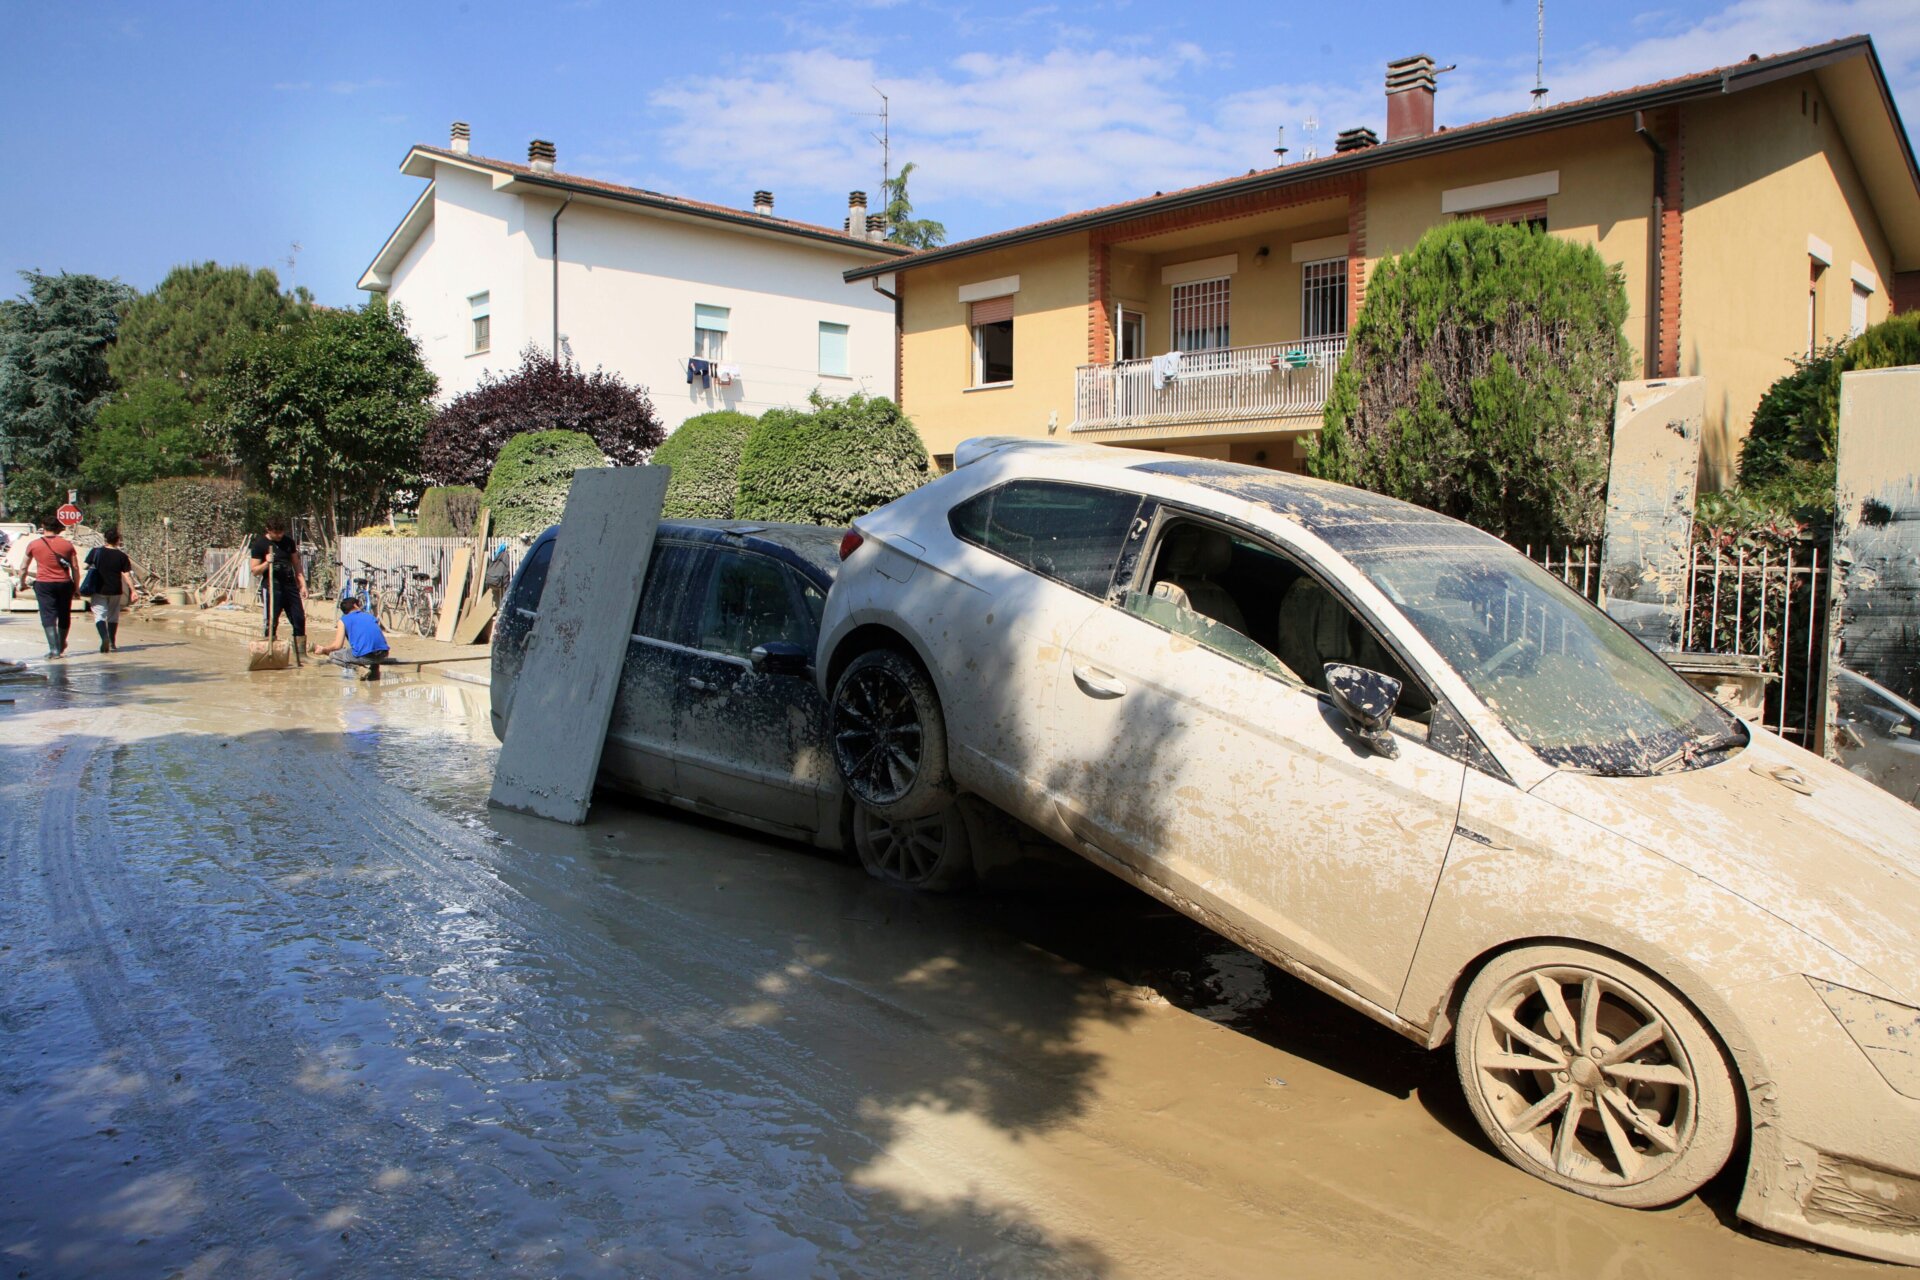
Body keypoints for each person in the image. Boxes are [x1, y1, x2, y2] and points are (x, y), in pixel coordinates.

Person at [15, 515, 78, 659]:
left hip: (44, 584)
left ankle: (54, 650)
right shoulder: (67, 545)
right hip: (64, 583)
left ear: (43, 526)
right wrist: (77, 587)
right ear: (58, 528)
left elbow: (23, 566)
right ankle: (61, 644)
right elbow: (75, 567)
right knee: (64, 614)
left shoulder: (34, 544)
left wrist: (22, 583)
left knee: (48, 615)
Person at [249, 517, 308, 661]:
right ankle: (271, 652)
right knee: (271, 620)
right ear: (268, 530)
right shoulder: (259, 544)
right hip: (271, 586)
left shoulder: (288, 542)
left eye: (281, 532)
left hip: (289, 585)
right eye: (276, 533)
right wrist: (266, 563)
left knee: (299, 618)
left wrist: (302, 584)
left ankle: (301, 655)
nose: (279, 535)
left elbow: (296, 564)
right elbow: (254, 570)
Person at [82, 526, 137, 653]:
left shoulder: (95, 551)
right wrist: (133, 591)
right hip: (115, 589)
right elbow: (127, 574)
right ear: (117, 540)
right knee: (113, 616)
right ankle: (112, 642)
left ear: (105, 539)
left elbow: (85, 566)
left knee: (99, 615)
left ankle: (104, 637)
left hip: (99, 589)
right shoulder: (122, 555)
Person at [314, 594, 391, 681]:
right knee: (370, 645)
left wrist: (323, 649)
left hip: (366, 657)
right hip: (383, 654)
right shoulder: (370, 616)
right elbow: (374, 637)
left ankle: (359, 669)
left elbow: (337, 646)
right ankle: (374, 671)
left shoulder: (343, 620)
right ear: (355, 605)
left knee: (333, 656)